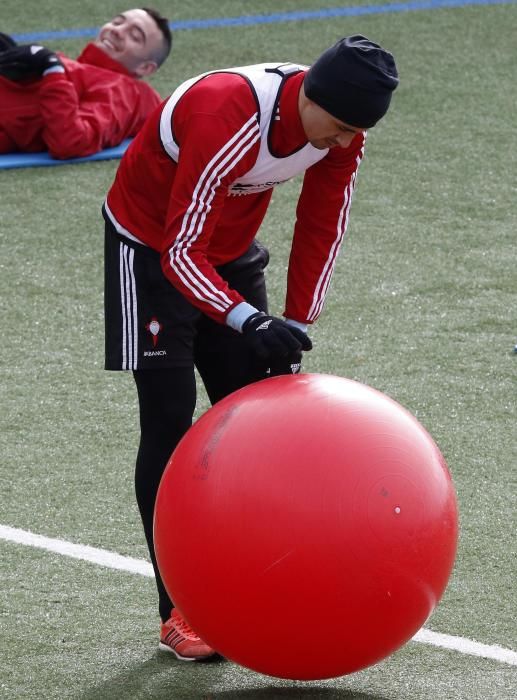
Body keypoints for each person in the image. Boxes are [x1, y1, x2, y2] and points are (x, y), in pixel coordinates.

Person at [103, 35, 399, 660]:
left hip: (229, 249)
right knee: (170, 424)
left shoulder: (341, 133)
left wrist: (290, 325)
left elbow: (324, 221)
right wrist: (246, 319)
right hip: (150, 251)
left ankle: (269, 581)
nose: (344, 143)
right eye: (340, 128)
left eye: (355, 133)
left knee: (262, 418)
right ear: (311, 97)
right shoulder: (224, 114)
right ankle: (178, 610)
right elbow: (179, 252)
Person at [0, 8, 172, 158]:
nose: (117, 31)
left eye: (134, 36)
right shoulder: (87, 73)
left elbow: (71, 142)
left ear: (145, 68)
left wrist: (52, 69)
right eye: (117, 22)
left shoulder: (121, 92)